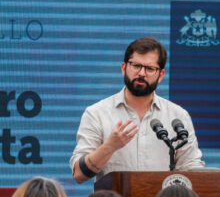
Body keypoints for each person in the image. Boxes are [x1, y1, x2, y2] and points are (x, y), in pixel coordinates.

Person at [70, 37, 205, 183]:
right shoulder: (97, 113)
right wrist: (110, 146)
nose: (141, 73)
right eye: (136, 66)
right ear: (124, 68)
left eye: (150, 68)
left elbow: (192, 170)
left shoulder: (178, 116)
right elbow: (79, 174)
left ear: (160, 75)